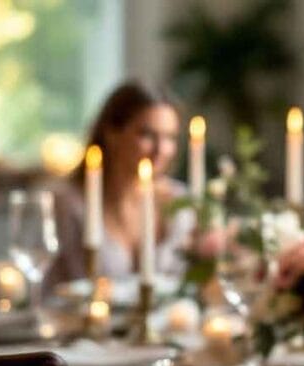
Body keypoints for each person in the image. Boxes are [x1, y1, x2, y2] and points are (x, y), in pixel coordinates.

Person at [46, 82, 195, 291]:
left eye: (170, 137)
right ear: (112, 134)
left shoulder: (181, 201)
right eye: (147, 135)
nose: (161, 149)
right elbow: (71, 287)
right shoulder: (69, 203)